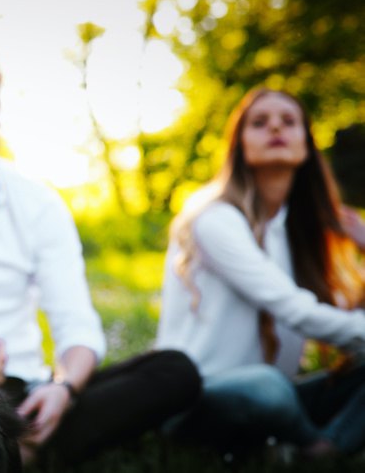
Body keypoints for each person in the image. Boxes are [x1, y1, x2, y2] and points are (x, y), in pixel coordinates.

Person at [0, 40, 201, 467]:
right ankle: (17, 452)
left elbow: (77, 329)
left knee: (175, 371)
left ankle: (21, 444)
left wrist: (63, 391)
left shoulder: (40, 205)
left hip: (28, 395)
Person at [156, 87, 365, 457]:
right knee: (265, 388)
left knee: (279, 388)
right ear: (239, 144)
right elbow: (295, 310)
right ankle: (313, 446)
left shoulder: (299, 230)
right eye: (259, 122)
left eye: (288, 121)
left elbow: (345, 319)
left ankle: (316, 447)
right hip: (201, 399)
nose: (275, 128)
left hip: (281, 396)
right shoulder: (214, 218)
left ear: (306, 144)